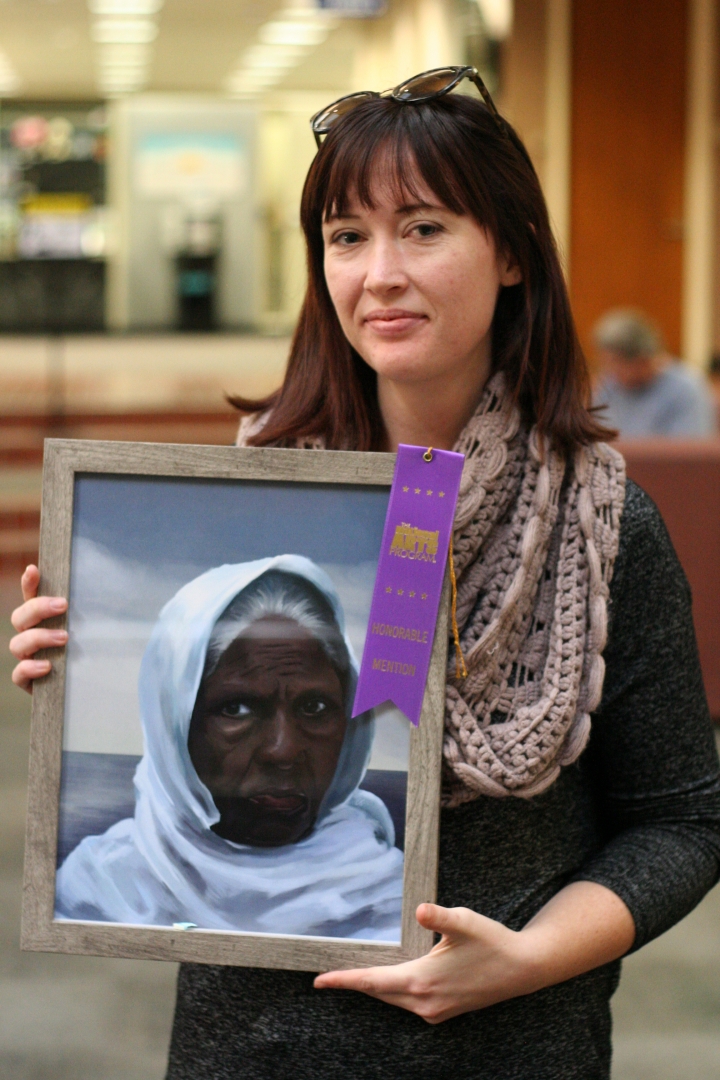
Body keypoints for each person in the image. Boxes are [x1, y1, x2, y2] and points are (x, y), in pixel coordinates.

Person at [11, 66, 720, 1080]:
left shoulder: (599, 526)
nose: (378, 273)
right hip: (246, 1056)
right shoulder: (254, 503)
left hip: (506, 1053)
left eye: (424, 229)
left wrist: (523, 962)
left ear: (511, 253)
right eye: (347, 237)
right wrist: (73, 670)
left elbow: (684, 820)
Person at [55, 556, 403, 940]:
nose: (283, 751)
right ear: (173, 725)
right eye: (236, 708)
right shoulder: (102, 887)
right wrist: (51, 679)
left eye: (315, 708)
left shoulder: (392, 899)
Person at [593, 308, 717, 437]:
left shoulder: (686, 388)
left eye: (615, 363)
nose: (609, 371)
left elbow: (690, 450)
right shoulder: (610, 385)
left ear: (642, 360)